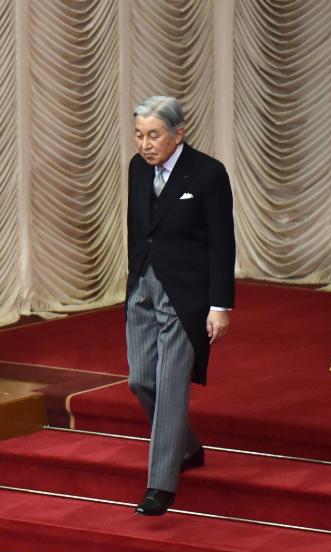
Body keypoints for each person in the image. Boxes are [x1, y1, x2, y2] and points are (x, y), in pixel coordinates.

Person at [125, 96, 235, 516]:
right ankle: (187, 446)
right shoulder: (137, 169)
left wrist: (219, 305)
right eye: (139, 135)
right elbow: (139, 229)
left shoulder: (208, 174)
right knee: (140, 379)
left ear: (178, 134)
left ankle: (161, 486)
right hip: (141, 288)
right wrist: (134, 280)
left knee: (171, 386)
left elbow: (222, 244)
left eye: (154, 135)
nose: (145, 144)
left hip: (185, 294)